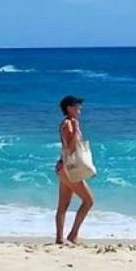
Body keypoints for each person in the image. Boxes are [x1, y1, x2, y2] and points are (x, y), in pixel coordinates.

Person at [54, 94, 94, 245]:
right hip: (69, 170)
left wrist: (60, 160)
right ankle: (73, 234)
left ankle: (60, 238)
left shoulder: (68, 122)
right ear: (69, 108)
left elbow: (64, 149)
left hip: (64, 167)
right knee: (88, 201)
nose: (80, 107)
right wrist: (76, 130)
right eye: (77, 105)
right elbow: (70, 148)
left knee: (63, 206)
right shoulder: (69, 124)